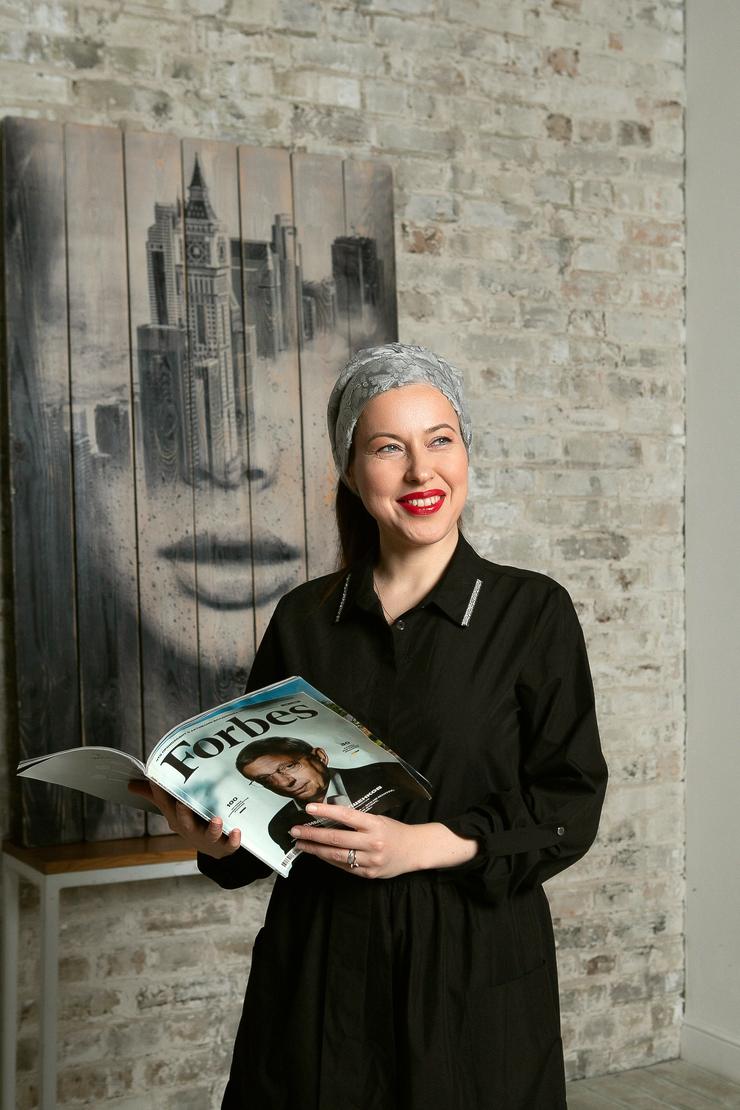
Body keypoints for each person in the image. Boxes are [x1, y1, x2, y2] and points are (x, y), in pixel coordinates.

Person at [139, 342, 608, 1110]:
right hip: (321, 973)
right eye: (389, 448)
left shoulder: (532, 613)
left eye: (440, 440)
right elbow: (266, 816)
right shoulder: (305, 619)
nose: (422, 471)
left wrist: (424, 845)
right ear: (353, 475)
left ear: (466, 453)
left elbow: (569, 805)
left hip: (472, 969)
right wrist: (220, 842)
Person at [236, 735, 430, 853]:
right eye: (265, 779)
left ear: (320, 756)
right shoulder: (279, 826)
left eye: (289, 766)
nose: (285, 782)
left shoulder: (389, 773)